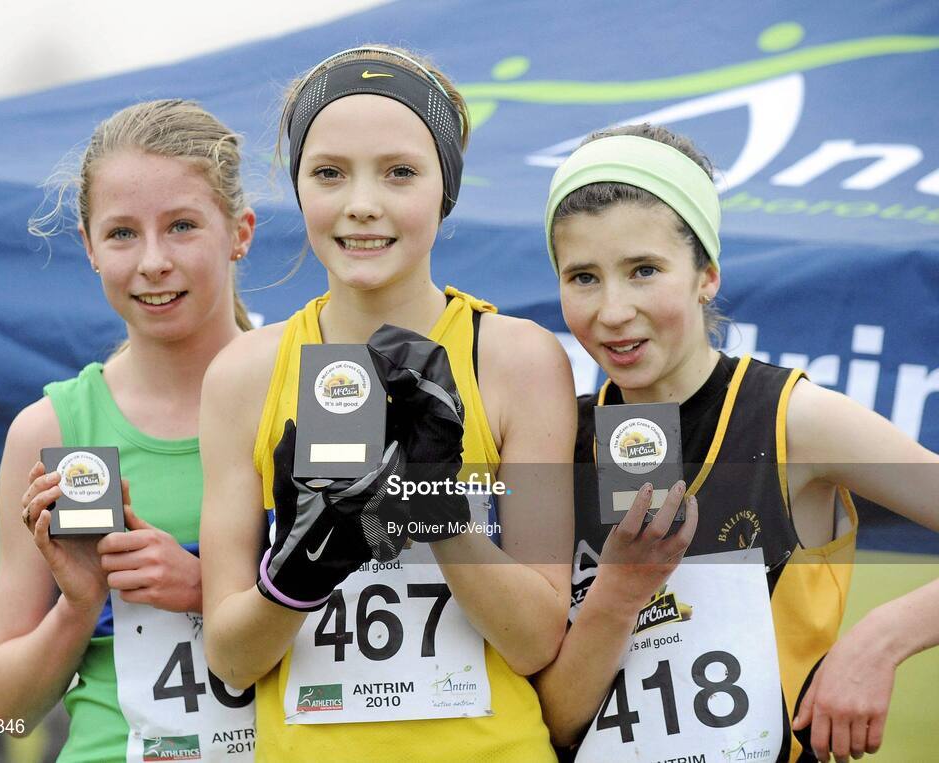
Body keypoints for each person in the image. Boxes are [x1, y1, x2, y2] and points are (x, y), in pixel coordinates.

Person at [199, 45, 576, 762]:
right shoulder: (244, 374)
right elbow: (231, 660)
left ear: (445, 187)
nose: (362, 204)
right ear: (299, 188)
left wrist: (435, 512)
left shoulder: (517, 359)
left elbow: (535, 641)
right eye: (329, 173)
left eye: (400, 171)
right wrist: (302, 568)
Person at [534, 124, 939, 762]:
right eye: (583, 277)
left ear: (707, 275)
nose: (612, 311)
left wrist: (882, 638)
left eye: (644, 270)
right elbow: (557, 724)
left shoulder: (795, 421)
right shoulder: (559, 440)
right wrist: (617, 594)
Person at [0, 99, 259, 762]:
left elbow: (376, 643)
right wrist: (78, 606)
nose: (153, 261)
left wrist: (204, 588)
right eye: (123, 233)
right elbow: (7, 713)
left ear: (240, 232)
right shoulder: (59, 430)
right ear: (88, 245)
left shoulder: (310, 396)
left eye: (183, 225)